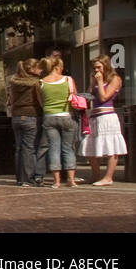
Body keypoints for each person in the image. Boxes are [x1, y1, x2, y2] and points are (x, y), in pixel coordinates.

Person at [82, 54, 127, 187]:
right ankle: (95, 175)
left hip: (107, 116)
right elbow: (91, 96)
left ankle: (108, 177)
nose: (96, 70)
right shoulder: (95, 79)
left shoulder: (115, 79)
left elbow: (104, 97)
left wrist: (101, 82)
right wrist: (93, 83)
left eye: (99, 67)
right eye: (94, 68)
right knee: (89, 146)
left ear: (106, 66)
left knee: (110, 146)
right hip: (94, 116)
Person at [39, 57, 79, 188]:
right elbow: (75, 97)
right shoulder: (68, 80)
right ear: (57, 67)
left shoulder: (42, 82)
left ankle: (56, 181)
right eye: (61, 67)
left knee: (54, 148)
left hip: (49, 117)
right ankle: (71, 180)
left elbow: (40, 101)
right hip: (66, 115)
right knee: (68, 148)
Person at [8, 59, 44, 187]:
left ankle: (19, 178)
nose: (41, 70)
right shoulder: (35, 83)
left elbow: (11, 99)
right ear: (32, 69)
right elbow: (40, 100)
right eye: (39, 68)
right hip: (31, 116)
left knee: (19, 148)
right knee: (29, 148)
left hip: (16, 116)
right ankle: (28, 178)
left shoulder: (14, 82)